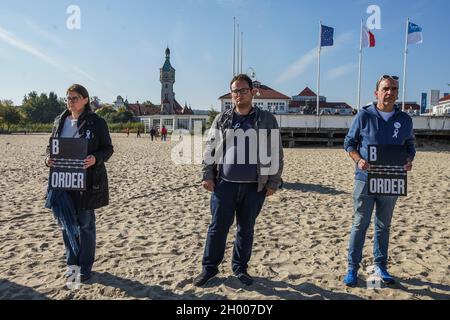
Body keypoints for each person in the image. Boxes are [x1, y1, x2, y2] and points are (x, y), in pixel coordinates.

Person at [193, 74, 284, 287]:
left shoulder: (266, 119)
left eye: (243, 90)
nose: (239, 94)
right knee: (217, 228)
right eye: (235, 91)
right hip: (224, 185)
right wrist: (207, 175)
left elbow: (276, 152)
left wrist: (273, 182)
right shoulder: (222, 118)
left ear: (252, 92)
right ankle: (209, 269)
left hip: (255, 187)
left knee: (246, 229)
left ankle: (240, 268)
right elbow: (210, 149)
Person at [343, 75, 416, 287]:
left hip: (391, 179)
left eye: (394, 89)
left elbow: (410, 145)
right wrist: (358, 160)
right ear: (376, 92)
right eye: (385, 88)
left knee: (384, 226)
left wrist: (409, 160)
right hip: (365, 179)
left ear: (397, 92)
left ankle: (380, 266)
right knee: (360, 224)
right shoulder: (364, 115)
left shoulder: (404, 119)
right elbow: (349, 143)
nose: (390, 92)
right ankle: (352, 268)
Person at [45, 84, 113, 283]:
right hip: (61, 181)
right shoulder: (60, 120)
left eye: (74, 98)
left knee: (85, 225)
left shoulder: (97, 122)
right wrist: (47, 158)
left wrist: (95, 158)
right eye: (68, 97)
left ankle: (85, 267)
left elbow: (108, 149)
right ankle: (71, 265)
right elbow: (51, 147)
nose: (70, 101)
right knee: (67, 225)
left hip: (86, 182)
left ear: (85, 100)